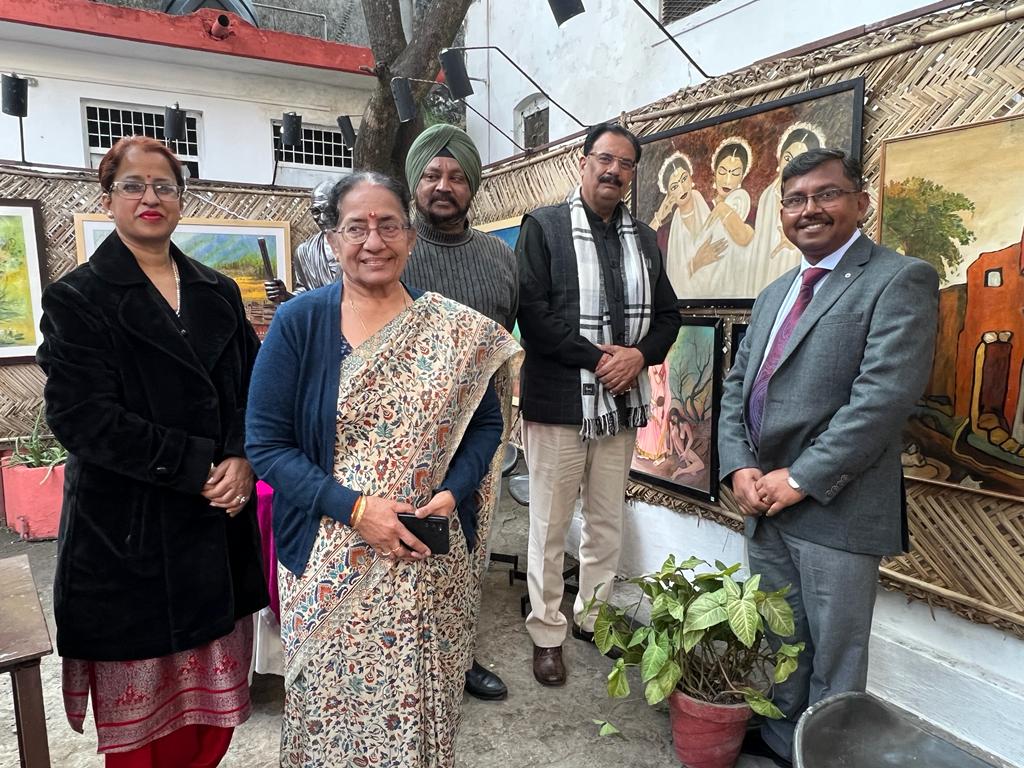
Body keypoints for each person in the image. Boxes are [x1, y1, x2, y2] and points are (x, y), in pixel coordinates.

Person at [245, 171, 520, 766]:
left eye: (389, 225)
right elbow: (266, 445)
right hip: (330, 556)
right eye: (356, 228)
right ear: (332, 239)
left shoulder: (453, 330)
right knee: (332, 714)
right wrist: (356, 509)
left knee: (422, 710)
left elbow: (486, 426)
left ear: (410, 236)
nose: (374, 241)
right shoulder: (300, 323)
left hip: (428, 559)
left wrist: (455, 490)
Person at [36, 135, 267, 767]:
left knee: (212, 723)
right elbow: (82, 417)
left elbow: (254, 388)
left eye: (164, 186)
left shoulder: (218, 291)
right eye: (132, 185)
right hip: (128, 536)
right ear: (108, 199)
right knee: (141, 736)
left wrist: (241, 456)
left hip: (215, 532)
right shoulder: (78, 298)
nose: (149, 197)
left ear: (181, 200)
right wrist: (198, 466)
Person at [718, 149, 938, 767]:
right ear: (782, 214)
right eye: (795, 199)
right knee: (782, 641)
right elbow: (737, 387)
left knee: (837, 660)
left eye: (826, 194)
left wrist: (800, 477)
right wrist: (738, 466)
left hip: (836, 507)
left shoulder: (899, 279)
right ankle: (782, 743)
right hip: (763, 502)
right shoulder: (775, 292)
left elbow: (882, 399)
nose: (809, 209)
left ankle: (824, 757)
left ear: (860, 203)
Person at [517, 123, 681, 685]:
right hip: (559, 401)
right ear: (583, 162)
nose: (614, 171)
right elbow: (533, 315)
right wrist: (600, 359)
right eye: (605, 159)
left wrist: (638, 357)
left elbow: (669, 316)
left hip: (620, 402)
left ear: (633, 174)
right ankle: (547, 632)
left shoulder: (645, 239)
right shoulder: (543, 226)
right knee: (550, 525)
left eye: (626, 164)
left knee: (607, 520)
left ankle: (594, 619)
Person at [402, 123, 518, 702]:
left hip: (482, 429)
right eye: (431, 174)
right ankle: (402, 655)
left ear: (473, 185)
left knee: (469, 543)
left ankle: (459, 654)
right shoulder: (393, 248)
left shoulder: (500, 258)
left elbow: (505, 334)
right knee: (405, 536)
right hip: (403, 431)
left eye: (456, 176)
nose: (443, 186)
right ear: (413, 182)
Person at [749, 124, 824, 290]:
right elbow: (760, 242)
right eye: (788, 158)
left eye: (801, 160)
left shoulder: (814, 201)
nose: (792, 166)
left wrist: (795, 244)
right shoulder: (768, 195)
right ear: (780, 157)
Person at [688, 137, 757, 298]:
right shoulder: (702, 208)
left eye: (735, 173)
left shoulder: (750, 211)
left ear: (742, 176)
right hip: (701, 292)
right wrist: (696, 262)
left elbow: (744, 238)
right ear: (715, 172)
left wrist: (723, 209)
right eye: (723, 171)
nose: (727, 180)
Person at [648, 151, 720, 297]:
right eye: (674, 186)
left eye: (684, 179)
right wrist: (695, 264)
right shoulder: (667, 233)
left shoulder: (713, 209)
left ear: (691, 178)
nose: (681, 188)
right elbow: (641, 250)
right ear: (669, 194)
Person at [263, 178, 337, 302]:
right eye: (316, 211)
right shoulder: (305, 252)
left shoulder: (363, 247)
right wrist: (286, 296)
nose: (323, 218)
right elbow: (305, 292)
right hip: (320, 314)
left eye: (329, 209)